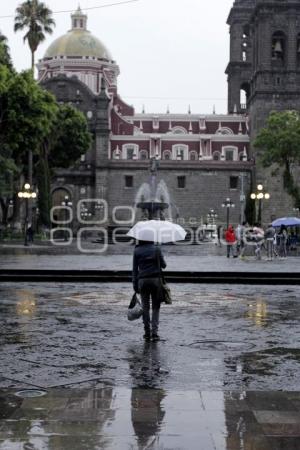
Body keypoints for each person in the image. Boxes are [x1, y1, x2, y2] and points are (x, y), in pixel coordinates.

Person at [132, 240, 167, 342]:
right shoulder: (157, 249)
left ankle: (147, 333)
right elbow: (164, 265)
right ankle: (155, 333)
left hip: (142, 281)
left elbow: (134, 269)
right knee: (156, 307)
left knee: (145, 307)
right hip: (156, 281)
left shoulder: (137, 250)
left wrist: (135, 284)